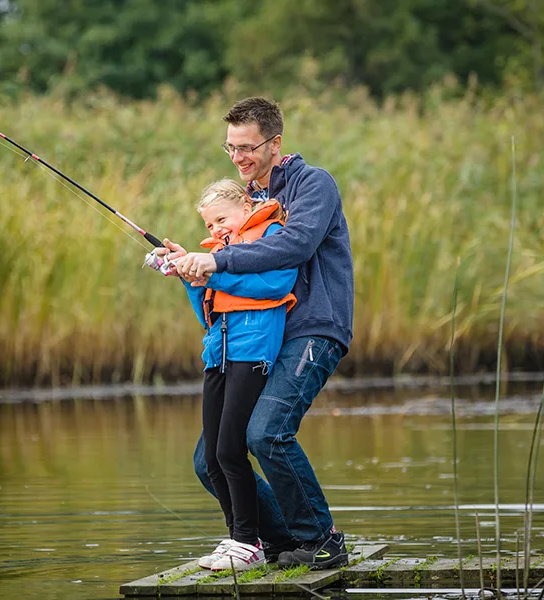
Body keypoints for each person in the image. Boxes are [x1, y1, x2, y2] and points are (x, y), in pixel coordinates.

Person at [160, 96, 355, 569]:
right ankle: (281, 540)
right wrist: (194, 267)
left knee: (268, 432)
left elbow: (295, 245)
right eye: (231, 148)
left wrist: (217, 260)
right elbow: (223, 291)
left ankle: (323, 538)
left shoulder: (313, 184)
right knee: (210, 460)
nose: (239, 157)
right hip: (260, 337)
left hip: (312, 329)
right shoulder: (243, 204)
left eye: (247, 147)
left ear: (275, 143)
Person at [171, 178, 297, 571]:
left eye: (221, 219)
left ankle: (248, 542)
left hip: (254, 353)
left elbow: (276, 284)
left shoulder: (272, 236)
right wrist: (189, 276)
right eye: (209, 226)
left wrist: (214, 273)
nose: (215, 230)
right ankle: (238, 539)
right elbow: (207, 314)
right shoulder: (217, 253)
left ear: (245, 206)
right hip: (218, 356)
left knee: (230, 449)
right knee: (211, 457)